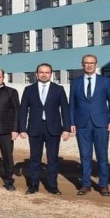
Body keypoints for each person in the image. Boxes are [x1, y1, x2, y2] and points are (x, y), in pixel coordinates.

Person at [18, 63, 70, 195]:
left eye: (47, 72)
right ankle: (33, 184)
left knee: (52, 159)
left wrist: (66, 129)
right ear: (36, 74)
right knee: (34, 158)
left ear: (51, 74)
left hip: (53, 128)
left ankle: (52, 185)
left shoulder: (58, 89)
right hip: (35, 128)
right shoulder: (29, 89)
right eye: (41, 72)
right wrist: (22, 128)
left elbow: (65, 110)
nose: (44, 74)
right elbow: (23, 109)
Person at [69, 54, 110, 196]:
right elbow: (72, 104)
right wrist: (72, 122)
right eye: (86, 63)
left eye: (92, 63)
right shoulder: (75, 82)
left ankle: (103, 185)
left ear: (96, 64)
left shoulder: (105, 81)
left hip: (101, 123)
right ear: (82, 64)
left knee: (102, 156)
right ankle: (86, 184)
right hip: (82, 124)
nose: (89, 65)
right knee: (85, 156)